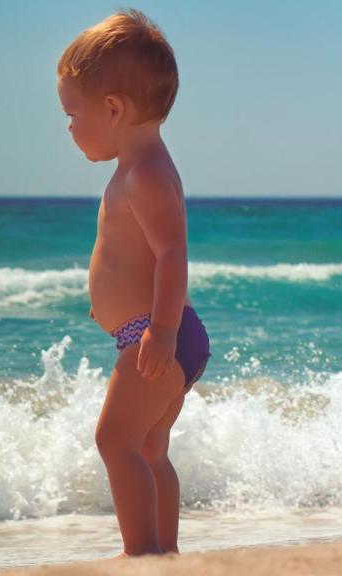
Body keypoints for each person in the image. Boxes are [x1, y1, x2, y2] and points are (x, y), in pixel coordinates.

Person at [56, 9, 211, 557]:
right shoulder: (137, 168)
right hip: (160, 332)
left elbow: (173, 255)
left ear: (113, 108)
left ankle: (140, 554)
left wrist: (162, 329)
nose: (69, 126)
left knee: (114, 441)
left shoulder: (144, 174)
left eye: (72, 112)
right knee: (148, 447)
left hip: (159, 331)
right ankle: (163, 554)